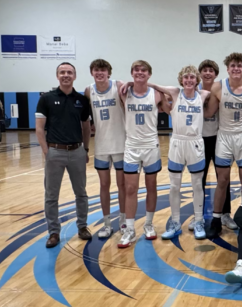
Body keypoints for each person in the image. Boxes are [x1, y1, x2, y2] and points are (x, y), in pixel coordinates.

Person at [148, 66, 213, 240]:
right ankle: (175, 222)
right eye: (186, 77)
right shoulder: (175, 93)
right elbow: (154, 86)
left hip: (196, 143)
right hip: (177, 142)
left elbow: (209, 90)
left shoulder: (203, 95)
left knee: (197, 184)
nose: (189, 80)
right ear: (181, 79)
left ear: (196, 80)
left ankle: (198, 220)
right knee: (174, 185)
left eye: (192, 77)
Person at [35, 62, 92, 248]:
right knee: (51, 195)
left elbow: (86, 126)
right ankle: (53, 232)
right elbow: (39, 128)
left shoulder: (82, 100)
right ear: (57, 76)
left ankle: (82, 227)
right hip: (55, 152)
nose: (66, 75)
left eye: (69, 72)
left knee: (81, 193)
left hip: (77, 151)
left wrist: (85, 149)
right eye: (62, 72)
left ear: (74, 76)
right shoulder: (46, 98)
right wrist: (46, 151)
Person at [205, 53, 242, 238]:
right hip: (224, 137)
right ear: (227, 68)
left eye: (239, 66)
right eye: (233, 66)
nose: (236, 68)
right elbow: (209, 112)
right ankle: (216, 219)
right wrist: (189, 98)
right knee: (222, 180)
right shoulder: (218, 86)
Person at [117, 60, 170, 248]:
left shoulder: (156, 94)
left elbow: (170, 106)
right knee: (130, 189)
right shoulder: (124, 91)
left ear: (149, 74)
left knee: (151, 187)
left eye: (144, 71)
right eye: (136, 70)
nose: (140, 73)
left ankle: (148, 224)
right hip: (131, 146)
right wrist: (129, 84)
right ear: (131, 73)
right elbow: (111, 81)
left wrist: (154, 86)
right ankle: (130, 229)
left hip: (150, 146)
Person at [84, 59, 127, 239]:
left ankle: (123, 222)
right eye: (96, 70)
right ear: (92, 72)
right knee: (104, 185)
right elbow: (86, 118)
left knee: (122, 185)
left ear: (108, 72)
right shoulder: (88, 90)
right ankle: (107, 223)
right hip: (101, 145)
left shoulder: (118, 86)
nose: (99, 73)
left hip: (121, 144)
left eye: (103, 70)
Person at [199, 59, 231, 225]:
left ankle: (225, 214)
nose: (207, 73)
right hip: (199, 140)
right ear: (200, 73)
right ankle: (198, 216)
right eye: (204, 70)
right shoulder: (194, 91)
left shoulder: (221, 90)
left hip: (219, 139)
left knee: (223, 178)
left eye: (211, 70)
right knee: (200, 178)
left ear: (216, 74)